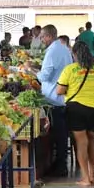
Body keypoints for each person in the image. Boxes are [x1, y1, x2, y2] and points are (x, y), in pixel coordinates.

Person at [56, 40, 94, 187]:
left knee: (81, 143)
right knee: (92, 141)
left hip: (76, 109)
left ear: (74, 54)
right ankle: (93, 176)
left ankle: (85, 178)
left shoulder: (70, 69)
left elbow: (59, 91)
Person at [37, 25, 73, 176]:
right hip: (61, 96)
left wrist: (32, 72)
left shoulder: (52, 51)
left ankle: (61, 166)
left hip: (55, 98)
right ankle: (59, 162)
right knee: (61, 133)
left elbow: (45, 76)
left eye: (43, 36)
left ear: (50, 36)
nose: (41, 39)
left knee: (59, 133)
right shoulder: (63, 48)